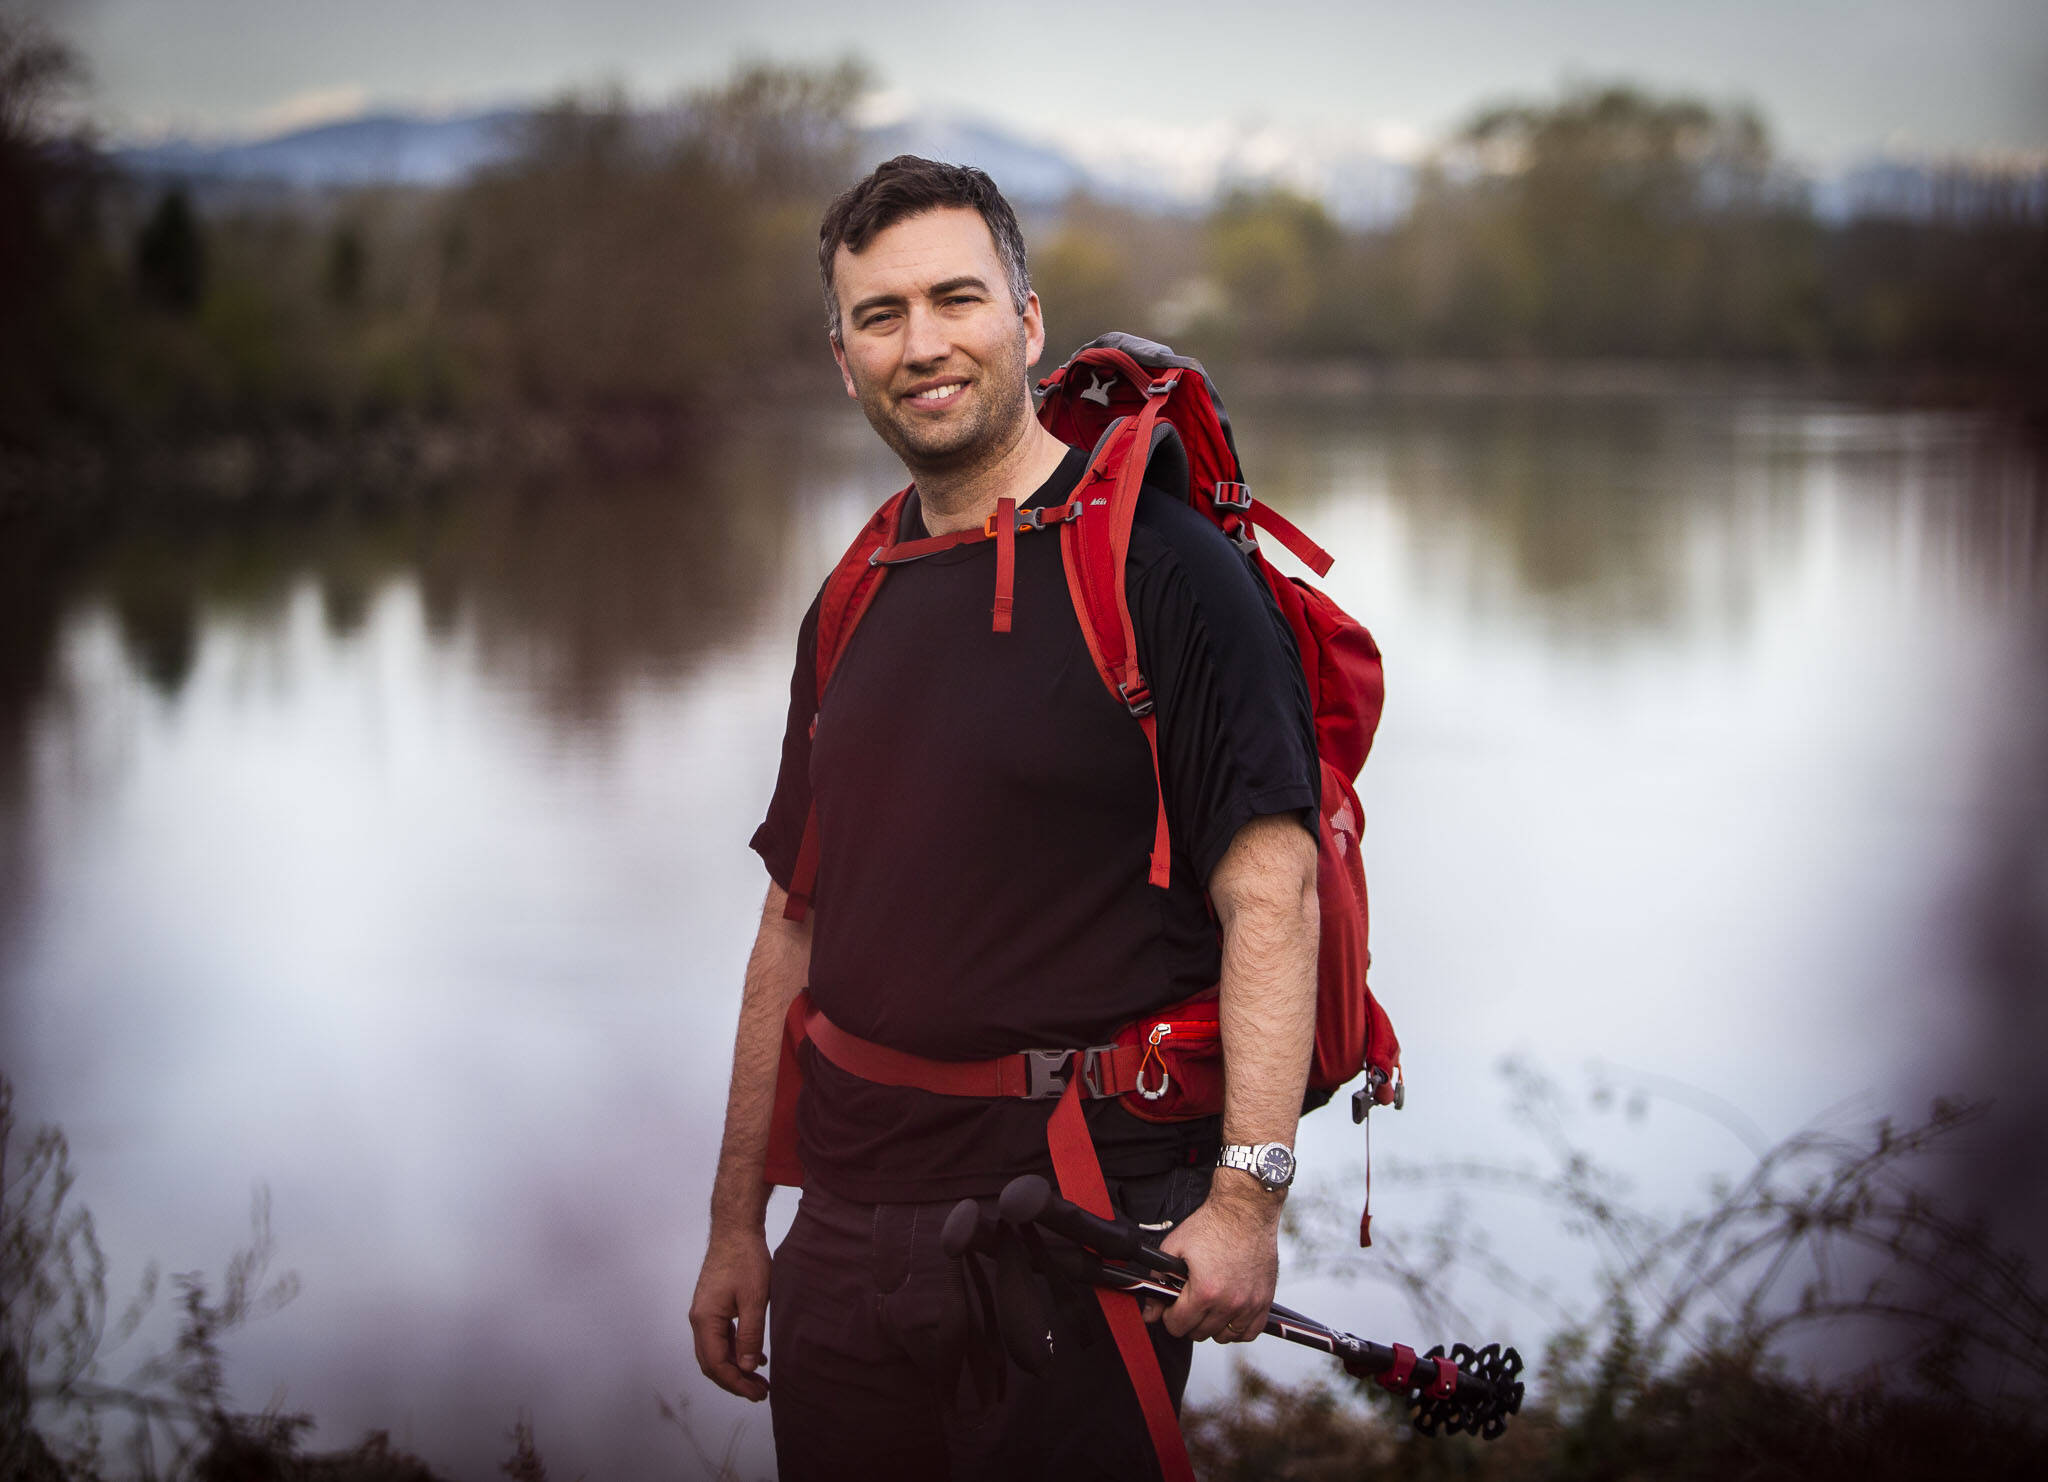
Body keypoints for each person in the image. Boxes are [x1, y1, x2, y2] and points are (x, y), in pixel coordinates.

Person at [687, 155, 1322, 1482]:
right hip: (851, 1228)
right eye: (881, 314)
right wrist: (737, 1216)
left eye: (955, 300)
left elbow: (1273, 895)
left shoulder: (1169, 575)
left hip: (1079, 1220)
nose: (922, 345)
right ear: (842, 353)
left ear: (1026, 323)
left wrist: (1248, 1197)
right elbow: (791, 924)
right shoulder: (855, 593)